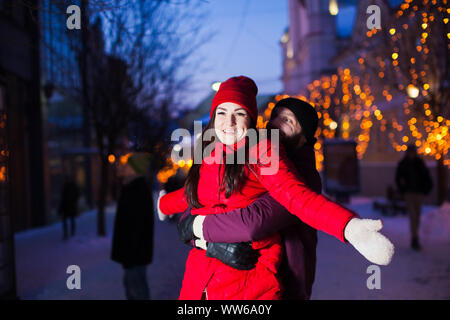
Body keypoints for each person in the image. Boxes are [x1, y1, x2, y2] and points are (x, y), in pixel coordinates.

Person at [158, 76, 394, 300]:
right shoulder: (216, 153)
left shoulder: (269, 156)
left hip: (254, 283)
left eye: (288, 121)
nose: (276, 125)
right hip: (200, 282)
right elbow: (195, 194)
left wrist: (349, 227)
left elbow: (284, 205)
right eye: (221, 112)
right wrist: (165, 205)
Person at [178, 97, 322, 300]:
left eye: (288, 120)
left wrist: (198, 230)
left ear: (305, 137)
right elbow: (202, 206)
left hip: (285, 286)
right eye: (275, 116)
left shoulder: (302, 177)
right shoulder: (257, 159)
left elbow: (252, 222)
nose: (275, 123)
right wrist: (200, 238)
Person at [111, 152, 155, 300]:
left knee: (136, 290)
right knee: (133, 287)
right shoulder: (132, 187)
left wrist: (129, 256)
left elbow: (135, 228)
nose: (124, 166)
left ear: (135, 169)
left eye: (128, 164)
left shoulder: (137, 190)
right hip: (133, 254)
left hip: (134, 255)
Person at [395, 144, 432, 251]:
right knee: (413, 215)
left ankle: (415, 236)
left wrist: (426, 189)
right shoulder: (403, 164)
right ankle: (414, 237)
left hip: (419, 193)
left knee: (417, 215)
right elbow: (398, 178)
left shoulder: (419, 163)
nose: (411, 154)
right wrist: (403, 189)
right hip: (409, 193)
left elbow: (426, 177)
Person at [58, 174, 80, 241]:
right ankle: (66, 233)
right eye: (68, 179)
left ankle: (72, 233)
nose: (68, 180)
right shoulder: (65, 186)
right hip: (66, 206)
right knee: (65, 220)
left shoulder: (73, 186)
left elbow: (77, 195)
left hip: (71, 206)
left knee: (72, 220)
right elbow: (62, 197)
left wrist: (73, 201)